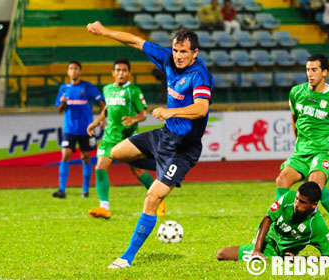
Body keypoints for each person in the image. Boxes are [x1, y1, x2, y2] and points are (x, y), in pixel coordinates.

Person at [86, 22, 213, 268]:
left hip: (183, 149)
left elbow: (201, 108)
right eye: (176, 50)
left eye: (184, 52)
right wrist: (105, 32)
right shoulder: (167, 59)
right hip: (164, 137)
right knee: (116, 153)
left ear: (195, 53)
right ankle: (163, 172)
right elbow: (134, 41)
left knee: (152, 198)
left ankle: (126, 257)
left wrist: (171, 112)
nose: (178, 56)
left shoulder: (199, 74)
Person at [275, 54, 329, 247]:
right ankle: (284, 223)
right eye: (307, 70)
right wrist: (297, 141)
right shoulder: (296, 92)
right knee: (282, 179)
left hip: (323, 150)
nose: (310, 74)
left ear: (324, 72)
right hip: (302, 150)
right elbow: (294, 117)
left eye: (314, 70)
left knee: (314, 186)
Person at [87, 58, 167, 219]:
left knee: (137, 171)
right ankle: (105, 208)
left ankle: (159, 200)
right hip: (110, 136)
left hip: (129, 138)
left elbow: (143, 114)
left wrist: (133, 120)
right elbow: (107, 110)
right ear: (113, 73)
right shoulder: (107, 89)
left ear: (129, 73)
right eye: (118, 70)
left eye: (124, 70)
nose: (121, 73)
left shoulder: (134, 90)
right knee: (100, 167)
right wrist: (95, 122)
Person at [217, 181, 329, 261]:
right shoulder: (288, 198)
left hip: (279, 256)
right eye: (297, 199)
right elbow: (268, 218)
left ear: (314, 205)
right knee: (221, 254)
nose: (296, 204)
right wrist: (257, 250)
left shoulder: (317, 225)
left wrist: (301, 260)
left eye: (302, 202)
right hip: (265, 243)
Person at [53, 61, 105, 199]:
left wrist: (103, 119)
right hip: (69, 128)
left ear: (80, 72)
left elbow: (101, 101)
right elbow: (59, 109)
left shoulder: (87, 87)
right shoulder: (63, 89)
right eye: (71, 68)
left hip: (86, 129)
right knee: (65, 155)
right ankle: (61, 190)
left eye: (76, 69)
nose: (74, 71)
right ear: (68, 72)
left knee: (86, 157)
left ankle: (85, 189)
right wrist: (63, 102)